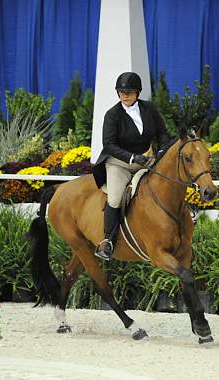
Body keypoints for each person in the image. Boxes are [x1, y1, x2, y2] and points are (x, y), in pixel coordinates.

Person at [92, 72, 172, 261]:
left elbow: (163, 134)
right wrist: (133, 157)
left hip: (147, 160)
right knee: (116, 198)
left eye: (128, 92)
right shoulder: (112, 115)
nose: (124, 95)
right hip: (120, 164)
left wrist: (161, 152)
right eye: (121, 92)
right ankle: (108, 241)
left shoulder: (149, 109)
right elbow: (109, 145)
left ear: (137, 92)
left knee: (168, 182)